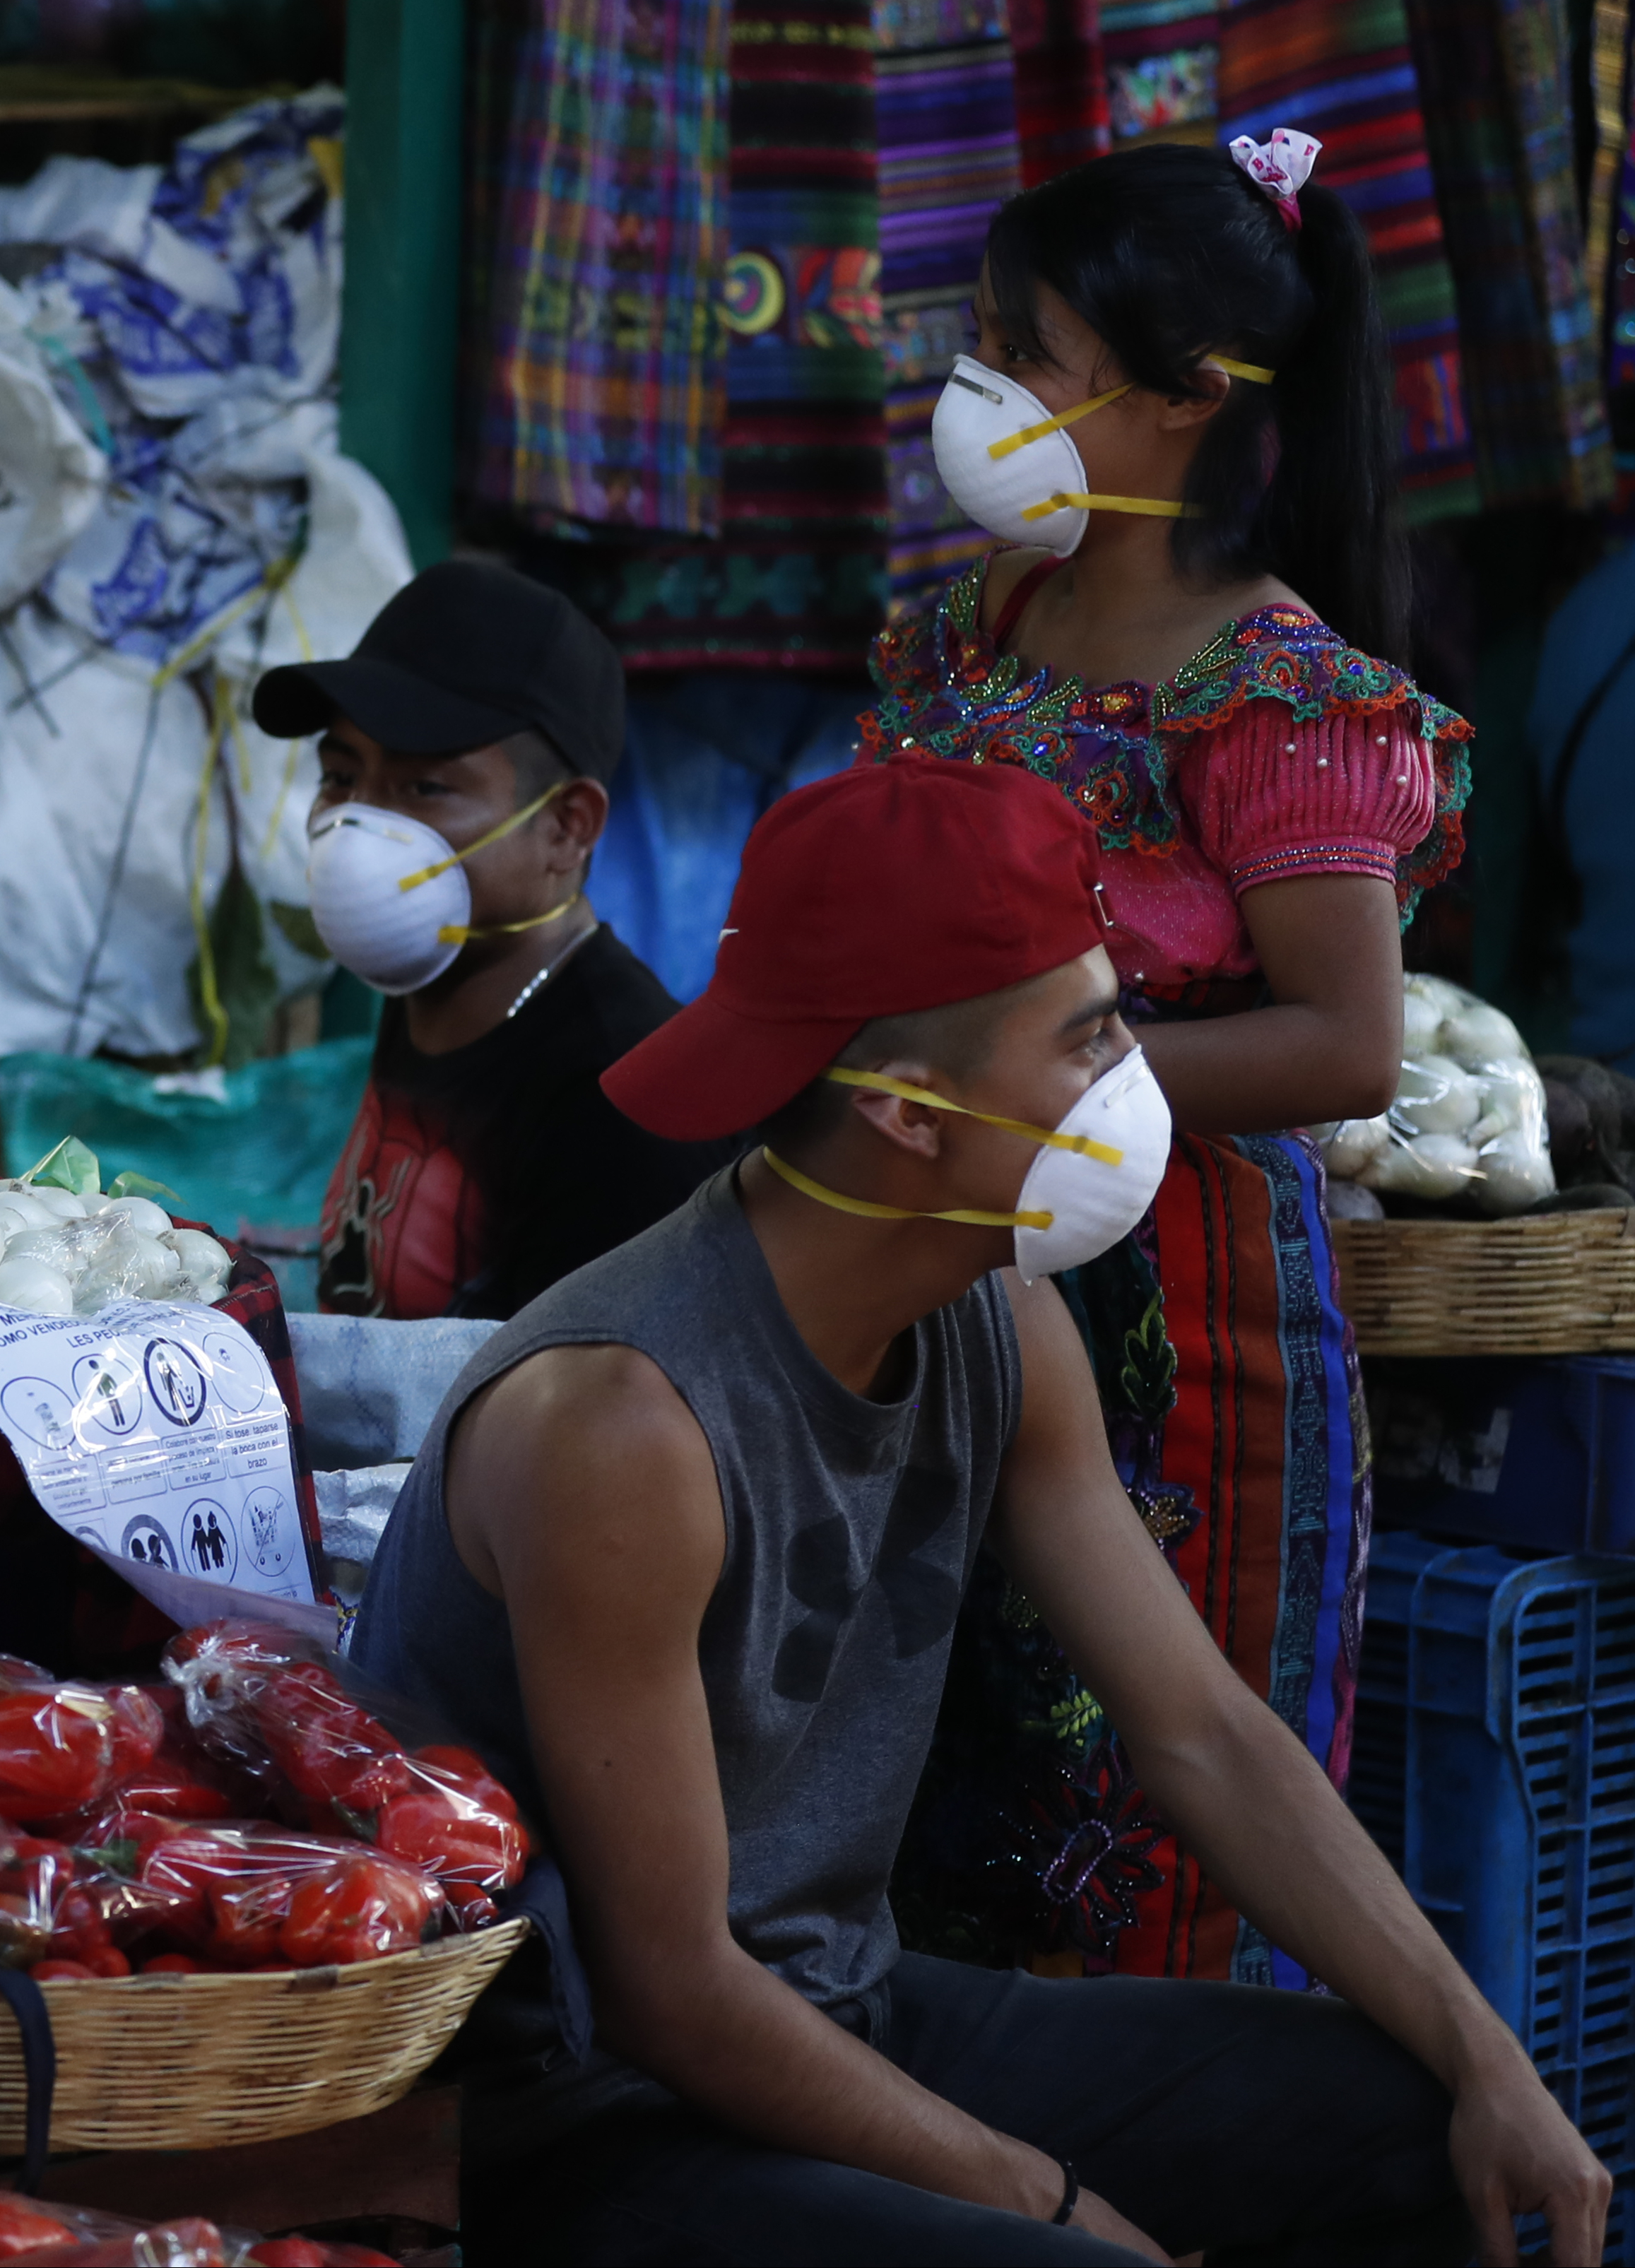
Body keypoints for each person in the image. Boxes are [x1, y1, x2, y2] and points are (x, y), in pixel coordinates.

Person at [350, 756, 1602, 2264]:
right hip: (589, 2117)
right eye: (1086, 1043)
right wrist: (1046, 2199)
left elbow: (1202, 1735)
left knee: (1412, 2124)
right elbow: (667, 1990)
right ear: (910, 1118)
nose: (1130, 1082)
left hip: (850, 2004)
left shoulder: (999, 1314)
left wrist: (1491, 2060)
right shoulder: (622, 1423)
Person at [861, 129, 1467, 1984]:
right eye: (980, 337)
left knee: (1152, 1792)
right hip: (943, 1272)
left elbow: (1346, 1043)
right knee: (944, 1747)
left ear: (1191, 399)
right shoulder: (964, 634)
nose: (980, 389)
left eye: (1026, 354)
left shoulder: (1282, 692)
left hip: (1190, 1346)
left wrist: (1046, 1085)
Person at [253, 564, 729, 1320]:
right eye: (341, 776)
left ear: (567, 826)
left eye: (424, 789)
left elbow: (589, 1416)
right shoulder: (436, 982)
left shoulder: (625, 1104)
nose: (358, 832)